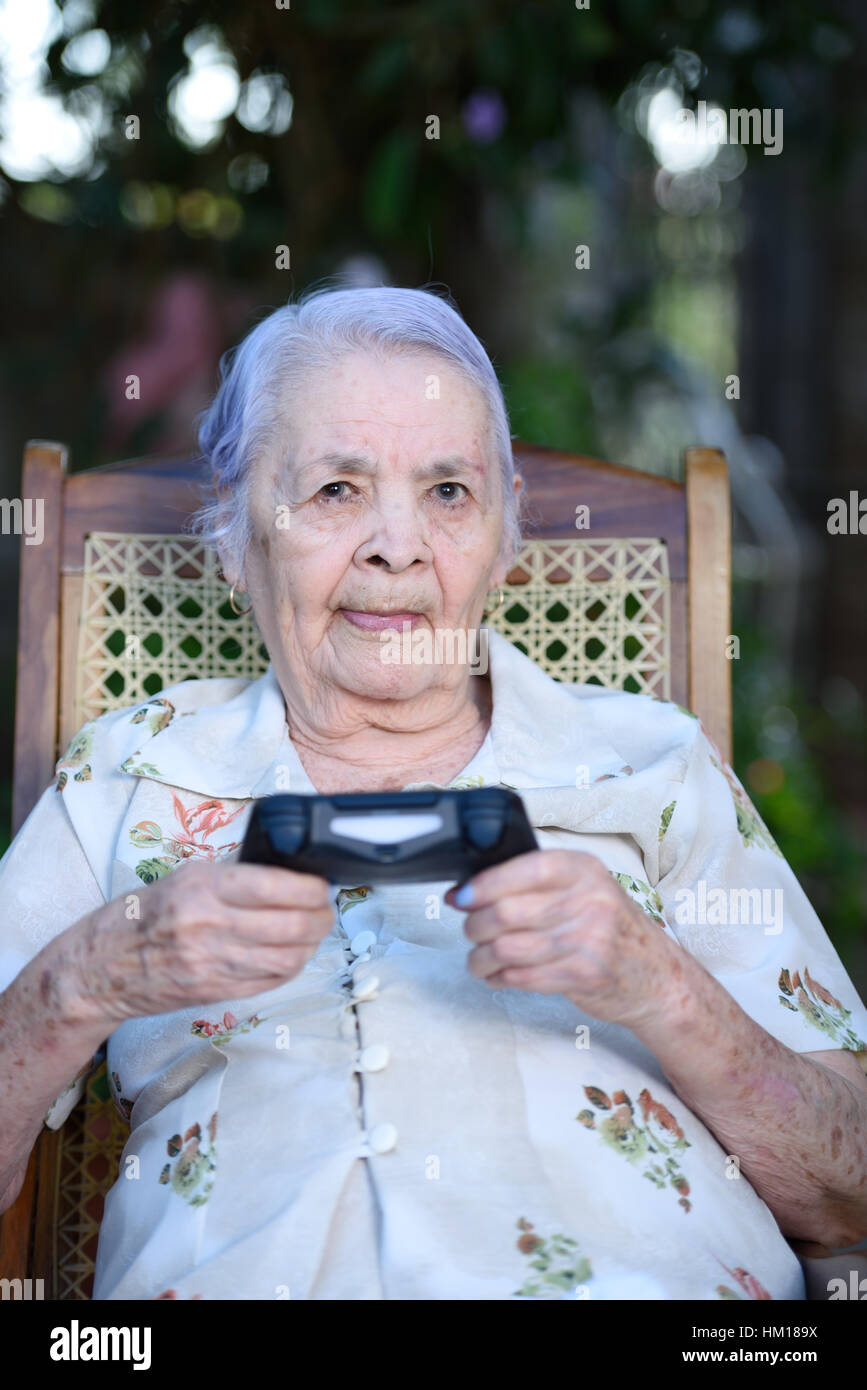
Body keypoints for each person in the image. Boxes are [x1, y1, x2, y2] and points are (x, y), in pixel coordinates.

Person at [1, 285, 866, 1302]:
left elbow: (846, 1196)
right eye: (335, 490)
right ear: (233, 537)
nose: (397, 545)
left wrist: (657, 983)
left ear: (505, 534)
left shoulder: (651, 766)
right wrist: (99, 971)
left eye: (449, 492)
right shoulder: (130, 771)